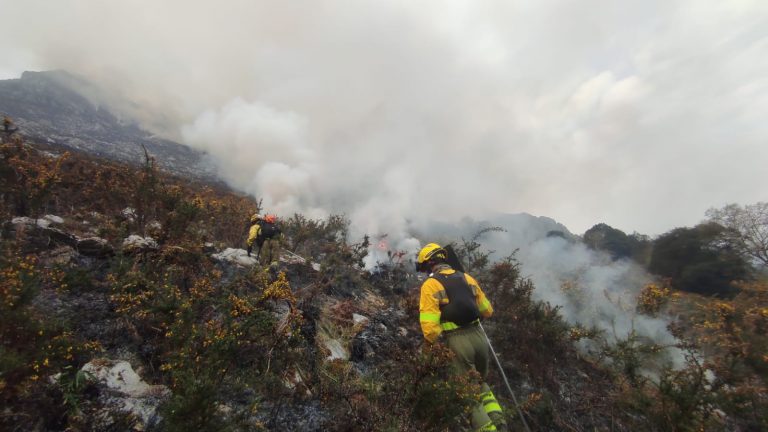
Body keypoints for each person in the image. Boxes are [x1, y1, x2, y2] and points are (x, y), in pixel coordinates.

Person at [416, 243, 507, 432]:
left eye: (424, 268)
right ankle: (500, 423)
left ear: (429, 264)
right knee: (480, 383)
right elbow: (487, 311)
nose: (424, 272)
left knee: (466, 392)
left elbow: (430, 327)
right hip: (480, 339)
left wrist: (433, 350)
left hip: (457, 341)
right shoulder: (467, 278)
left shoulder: (430, 285)